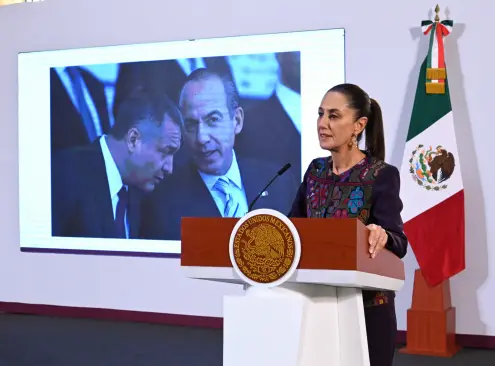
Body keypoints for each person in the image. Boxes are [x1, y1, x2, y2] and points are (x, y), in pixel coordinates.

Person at [288, 83, 408, 366]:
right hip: (317, 303)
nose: (322, 124)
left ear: (359, 125)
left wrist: (382, 235)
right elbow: (293, 227)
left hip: (367, 308)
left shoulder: (381, 174)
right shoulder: (315, 171)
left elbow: (399, 242)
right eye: (320, 114)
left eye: (333, 115)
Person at [139, 68, 297, 241]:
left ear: (236, 121)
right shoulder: (162, 204)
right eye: (191, 124)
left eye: (212, 120)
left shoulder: (280, 183)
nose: (201, 138)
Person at [51, 87, 182, 239]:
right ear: (133, 139)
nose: (169, 168)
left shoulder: (142, 195)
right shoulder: (63, 174)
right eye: (165, 152)